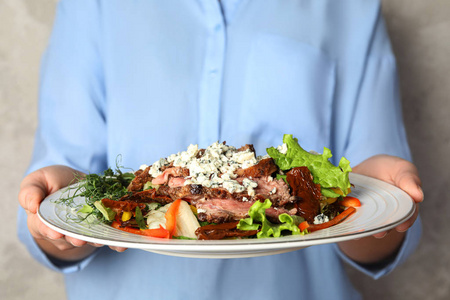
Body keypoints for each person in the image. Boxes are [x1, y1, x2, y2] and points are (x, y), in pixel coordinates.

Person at [18, 0, 422, 299]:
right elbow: (54, 197)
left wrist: (375, 206)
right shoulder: (92, 6)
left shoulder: (352, 8)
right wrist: (59, 216)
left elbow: (380, 228)